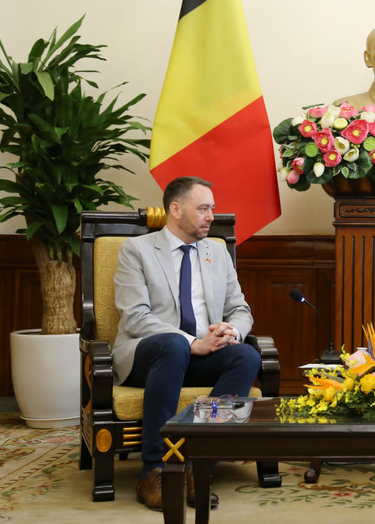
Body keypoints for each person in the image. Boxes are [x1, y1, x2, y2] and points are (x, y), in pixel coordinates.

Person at [113, 176, 261, 511]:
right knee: (173, 345)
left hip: (200, 354)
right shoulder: (136, 250)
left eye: (213, 209)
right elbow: (135, 317)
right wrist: (192, 342)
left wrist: (231, 332)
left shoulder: (217, 252)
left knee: (246, 356)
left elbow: (239, 308)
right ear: (176, 210)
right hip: (148, 357)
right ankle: (155, 468)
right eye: (203, 208)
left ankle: (198, 463)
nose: (211, 216)